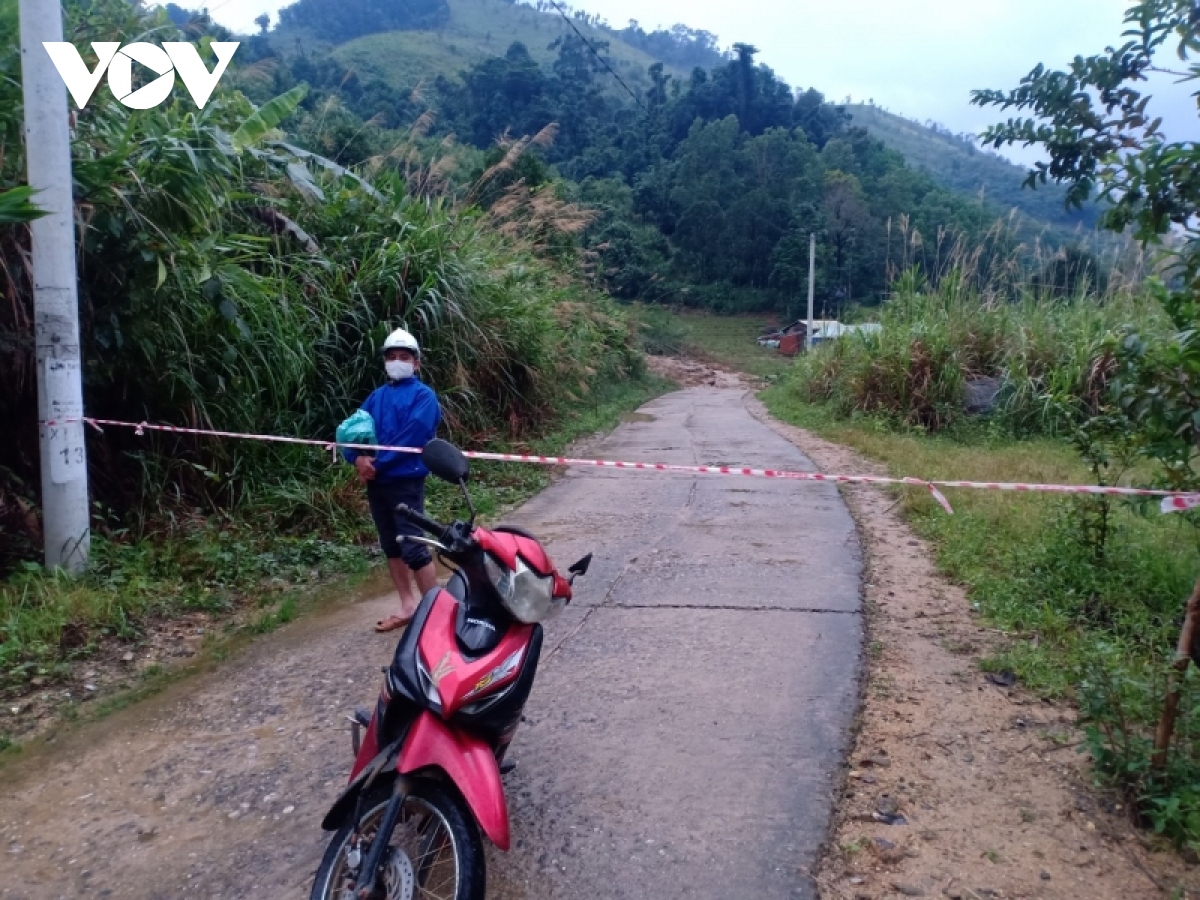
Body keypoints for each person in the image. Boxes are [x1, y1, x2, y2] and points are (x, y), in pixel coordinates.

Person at [343, 328, 442, 633]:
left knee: (412, 545)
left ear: (416, 363)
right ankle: (408, 606)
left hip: (405, 481)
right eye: (392, 357)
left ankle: (436, 614)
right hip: (378, 482)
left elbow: (412, 436)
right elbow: (352, 431)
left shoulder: (424, 397)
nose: (397, 362)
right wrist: (356, 458)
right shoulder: (377, 397)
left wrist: (377, 464)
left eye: (404, 357)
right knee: (391, 545)